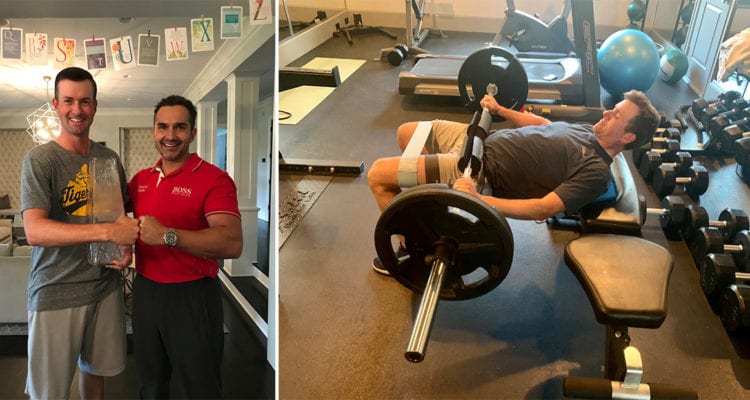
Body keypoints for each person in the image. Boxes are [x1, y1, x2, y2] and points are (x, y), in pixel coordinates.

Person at [368, 90, 660, 274]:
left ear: (628, 137)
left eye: (616, 114)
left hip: (478, 169)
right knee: (407, 132)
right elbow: (545, 126)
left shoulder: (595, 172)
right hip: (480, 140)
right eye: (613, 108)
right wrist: (500, 111)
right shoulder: (589, 131)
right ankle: (428, 213)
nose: (607, 112)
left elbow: (542, 209)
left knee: (379, 176)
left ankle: (411, 250)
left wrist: (476, 199)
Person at [20, 66, 140, 399]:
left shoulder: (108, 158)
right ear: (56, 104)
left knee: (96, 374)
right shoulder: (41, 160)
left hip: (104, 287)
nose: (77, 110)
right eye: (69, 101)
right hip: (56, 288)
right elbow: (35, 231)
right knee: (49, 391)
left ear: (95, 106)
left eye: (85, 101)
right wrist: (106, 233)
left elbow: (118, 215)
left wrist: (124, 249)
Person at [128, 95, 243, 398]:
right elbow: (113, 218)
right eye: (162, 127)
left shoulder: (215, 179)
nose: (170, 135)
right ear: (153, 131)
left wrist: (167, 235)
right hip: (145, 293)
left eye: (179, 127)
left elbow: (231, 242)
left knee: (200, 387)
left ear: (192, 133)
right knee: (150, 384)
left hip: (192, 296)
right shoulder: (141, 180)